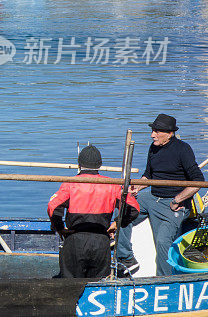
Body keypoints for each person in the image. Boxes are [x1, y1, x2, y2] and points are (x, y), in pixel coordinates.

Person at [116, 114, 205, 276]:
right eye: (152, 131)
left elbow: (198, 181)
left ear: (170, 133)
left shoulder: (183, 149)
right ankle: (126, 257)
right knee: (123, 210)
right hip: (151, 197)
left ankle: (163, 280)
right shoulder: (153, 148)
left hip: (174, 203)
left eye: (157, 131)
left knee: (163, 242)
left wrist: (178, 199)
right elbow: (148, 175)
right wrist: (137, 188)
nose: (152, 135)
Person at [47, 146, 140, 278]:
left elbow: (53, 206)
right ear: (100, 165)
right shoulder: (111, 184)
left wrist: (60, 227)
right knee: (99, 285)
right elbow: (134, 208)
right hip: (101, 241)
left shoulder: (70, 184)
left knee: (70, 285)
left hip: (75, 240)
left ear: (79, 165)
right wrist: (117, 223)